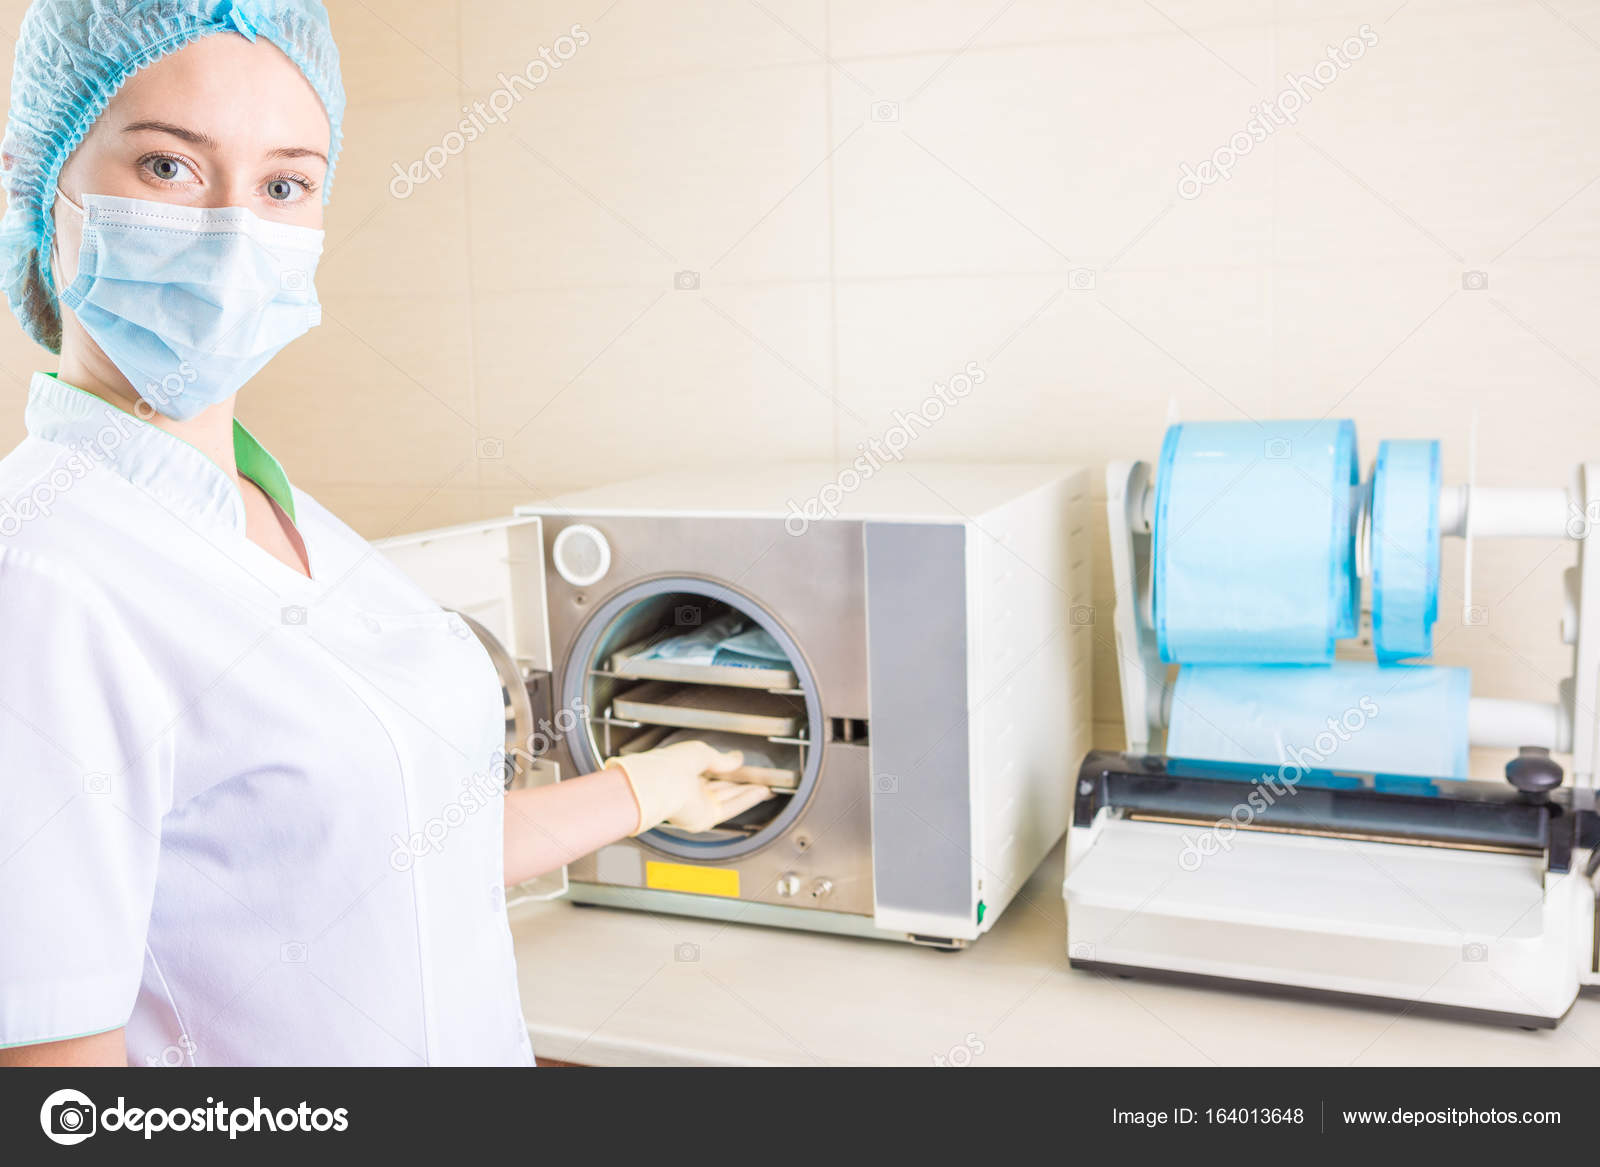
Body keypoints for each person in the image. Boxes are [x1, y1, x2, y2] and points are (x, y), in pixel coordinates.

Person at [0, 0, 769, 1067]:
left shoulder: (287, 521)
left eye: (283, 184)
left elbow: (379, 852)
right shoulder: (40, 574)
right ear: (40, 189)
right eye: (169, 168)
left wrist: (646, 788)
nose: (235, 233)